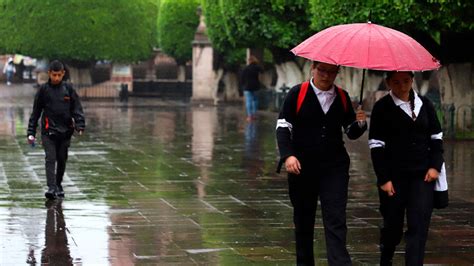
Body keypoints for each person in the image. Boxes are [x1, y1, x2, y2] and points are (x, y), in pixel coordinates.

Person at [276, 61, 367, 265]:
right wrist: (288, 155)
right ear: (313, 68)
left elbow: (351, 132)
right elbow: (283, 127)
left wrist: (360, 123)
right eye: (322, 70)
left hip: (334, 168)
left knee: (336, 218)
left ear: (337, 73)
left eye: (331, 72)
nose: (326, 75)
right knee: (303, 220)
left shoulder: (342, 97)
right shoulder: (297, 94)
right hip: (302, 168)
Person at [368, 71, 444, 265]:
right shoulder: (382, 107)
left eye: (406, 81)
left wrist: (435, 166)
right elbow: (376, 145)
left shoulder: (424, 104)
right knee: (393, 225)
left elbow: (436, 137)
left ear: (412, 80)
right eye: (396, 82)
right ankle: (387, 256)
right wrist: (383, 179)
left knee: (419, 225)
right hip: (394, 178)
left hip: (422, 176)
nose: (402, 86)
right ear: (388, 83)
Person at [27, 60, 85, 199]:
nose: (56, 78)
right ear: (49, 74)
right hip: (49, 131)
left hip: (65, 131)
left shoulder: (68, 89)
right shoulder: (43, 90)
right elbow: (36, 112)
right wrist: (31, 132)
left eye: (59, 75)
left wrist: (80, 124)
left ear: (63, 74)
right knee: (50, 158)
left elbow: (76, 108)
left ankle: (58, 184)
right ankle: (51, 187)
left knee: (62, 159)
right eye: (54, 75)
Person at [240, 55, 263, 121]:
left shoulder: (246, 68)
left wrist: (242, 85)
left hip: (247, 87)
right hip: (256, 86)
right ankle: (254, 114)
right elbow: (262, 71)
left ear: (249, 61)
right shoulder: (257, 67)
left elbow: (242, 78)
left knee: (248, 101)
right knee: (255, 100)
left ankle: (250, 116)